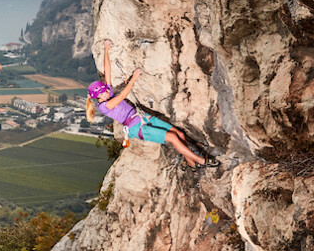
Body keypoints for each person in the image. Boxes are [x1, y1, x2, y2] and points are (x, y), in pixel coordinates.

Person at [86, 39, 218, 169]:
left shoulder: (107, 93)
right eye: (104, 93)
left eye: (106, 91)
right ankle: (202, 161)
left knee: (180, 135)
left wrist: (106, 50)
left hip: (142, 117)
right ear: (98, 96)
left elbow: (107, 71)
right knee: (172, 137)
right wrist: (134, 78)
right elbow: (121, 96)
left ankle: (192, 164)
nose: (108, 92)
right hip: (136, 128)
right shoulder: (104, 106)